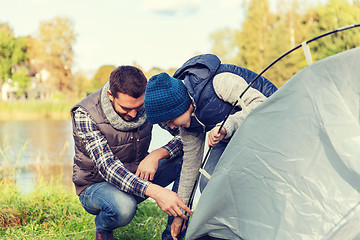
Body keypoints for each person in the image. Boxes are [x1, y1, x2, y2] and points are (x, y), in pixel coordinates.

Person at [144, 54, 278, 239]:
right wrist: (180, 216)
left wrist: (227, 126)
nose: (172, 127)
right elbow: (190, 168)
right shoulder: (188, 124)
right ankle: (228, 231)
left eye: (171, 121)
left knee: (244, 181)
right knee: (209, 180)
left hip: (273, 124)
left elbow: (261, 104)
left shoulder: (219, 82)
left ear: (180, 106)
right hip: (235, 135)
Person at [70, 65, 192, 240]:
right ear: (110, 95)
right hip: (96, 185)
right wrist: (157, 192)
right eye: (126, 109)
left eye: (139, 106)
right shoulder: (85, 113)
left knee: (185, 159)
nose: (134, 114)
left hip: (136, 176)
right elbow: (108, 168)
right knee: (124, 207)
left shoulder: (146, 104)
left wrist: (158, 153)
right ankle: (103, 226)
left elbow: (187, 136)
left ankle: (172, 235)